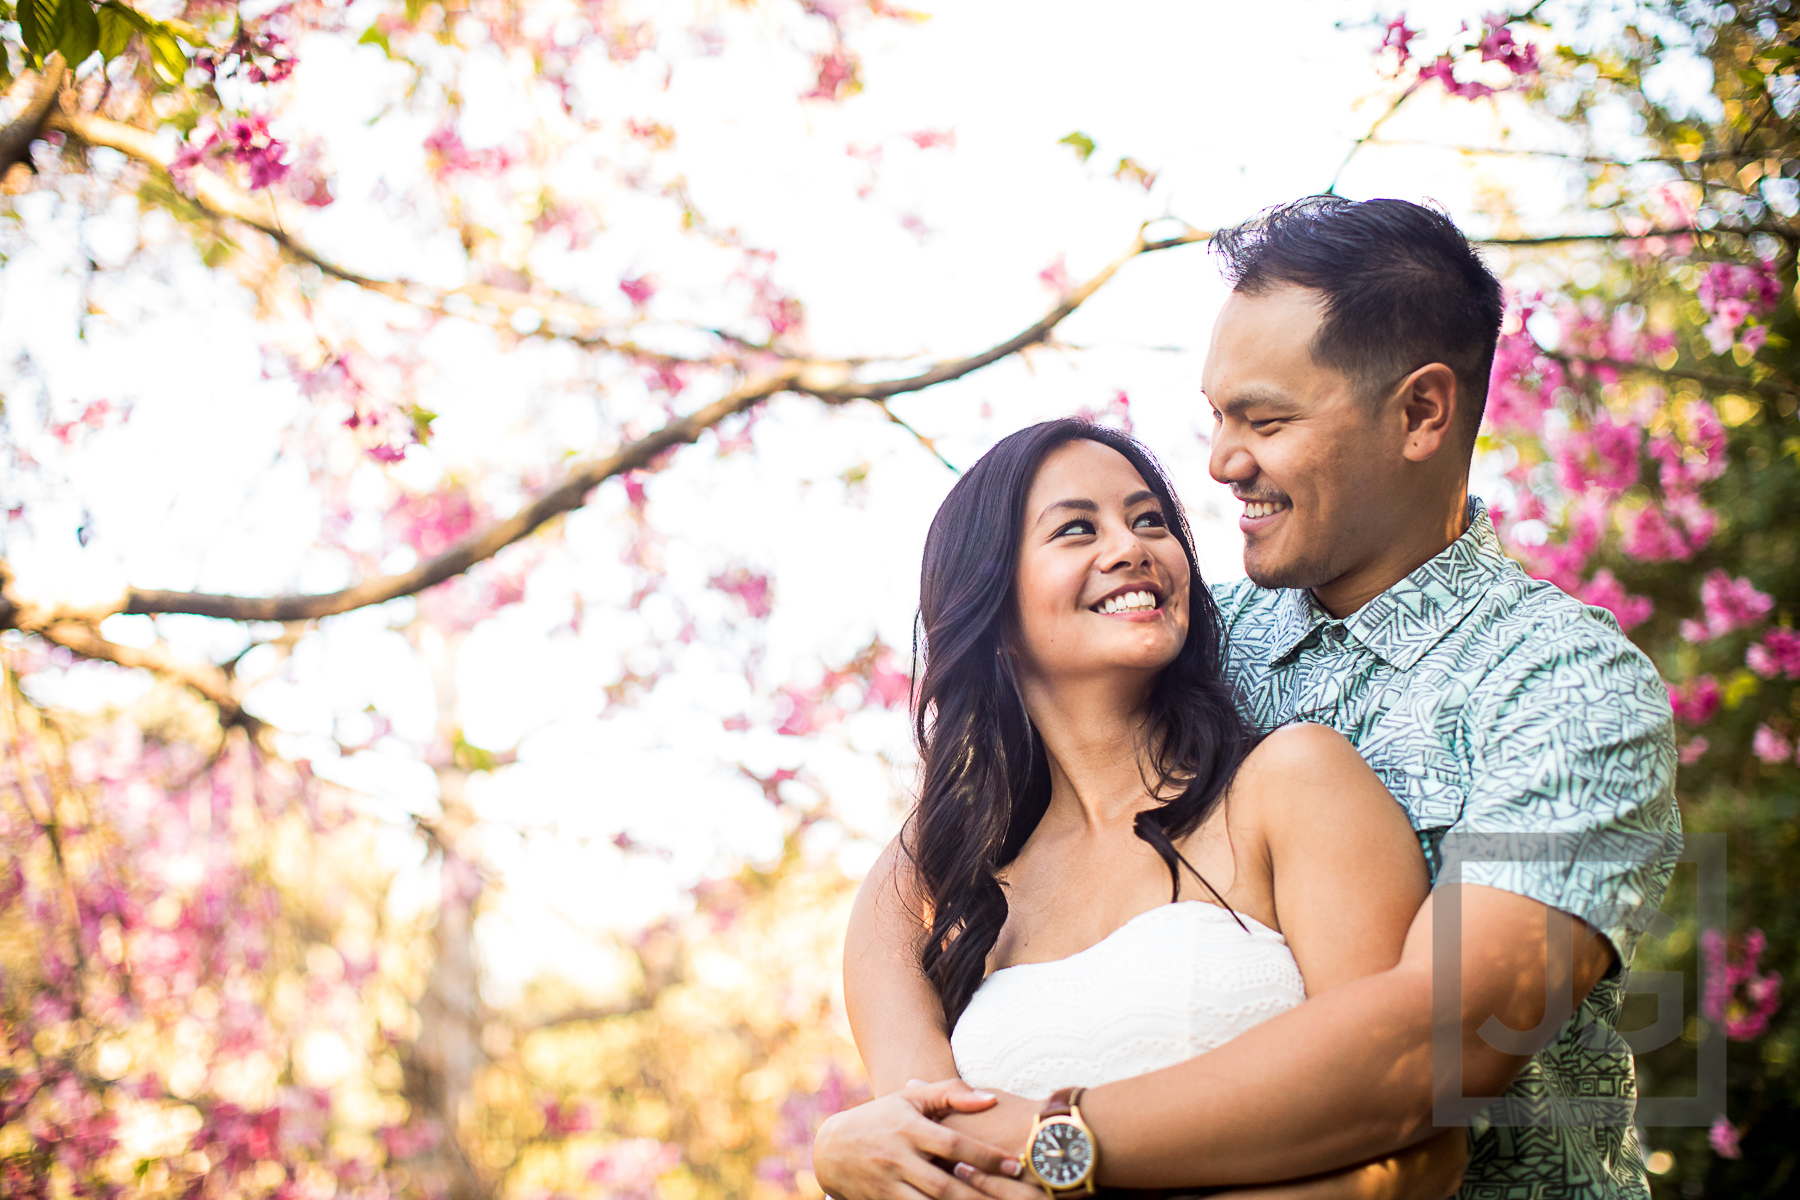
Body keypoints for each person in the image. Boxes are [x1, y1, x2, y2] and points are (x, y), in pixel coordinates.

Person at [815, 196, 1680, 1198]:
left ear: (1422, 412)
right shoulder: (1179, 636)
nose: (1222, 464)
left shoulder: (1567, 687)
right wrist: (894, 1124)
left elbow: (1446, 1043)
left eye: (1264, 421)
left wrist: (1061, 1139)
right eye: (1218, 418)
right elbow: (930, 856)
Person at [824, 415, 1470, 1199]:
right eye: (1075, 529)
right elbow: (925, 1151)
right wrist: (838, 1149)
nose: (1131, 547)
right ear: (991, 611)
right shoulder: (933, 883)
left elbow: (1421, 1147)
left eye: (1149, 520)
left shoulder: (1292, 784)